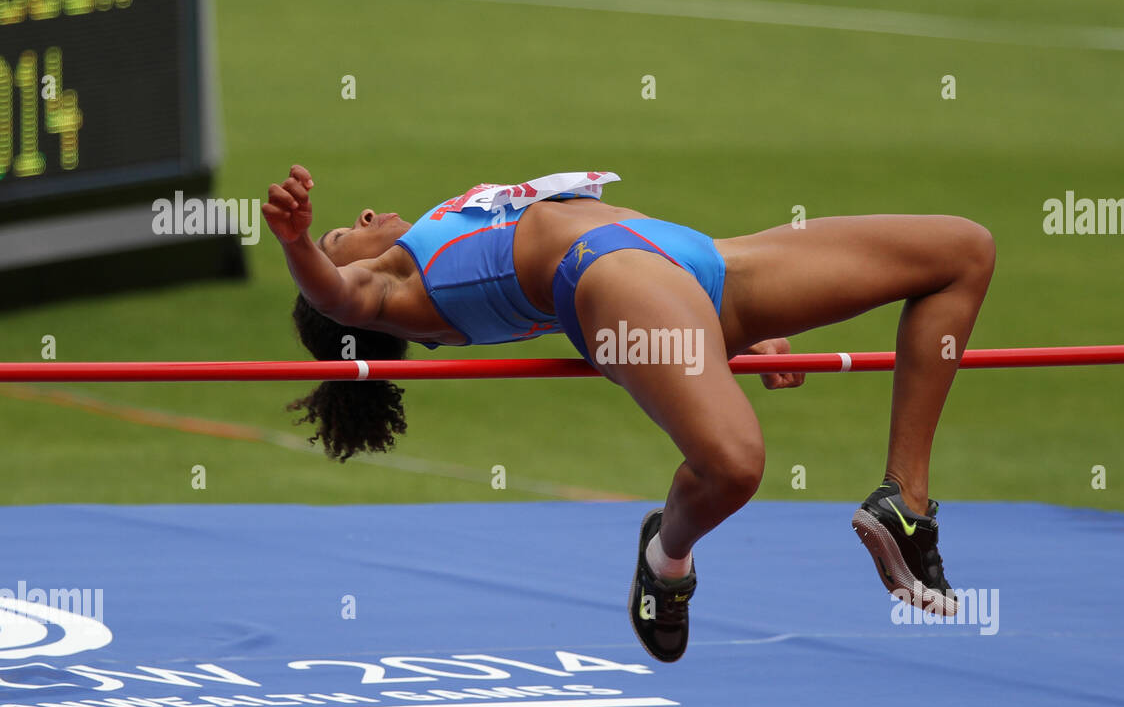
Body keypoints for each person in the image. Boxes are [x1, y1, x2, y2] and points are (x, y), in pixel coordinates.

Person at [263, 165, 996, 662]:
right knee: (736, 464)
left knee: (961, 251)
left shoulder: (433, 235)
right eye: (341, 236)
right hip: (619, 279)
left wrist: (721, 332)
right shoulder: (390, 293)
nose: (356, 219)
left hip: (698, 264)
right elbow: (336, 297)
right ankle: (665, 561)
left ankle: (905, 500)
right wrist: (302, 248)